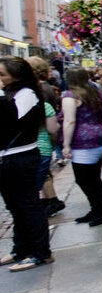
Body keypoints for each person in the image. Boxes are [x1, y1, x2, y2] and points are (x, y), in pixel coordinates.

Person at [0, 57, 54, 272]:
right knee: (14, 206)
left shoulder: (27, 95)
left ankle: (41, 252)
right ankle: (20, 248)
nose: (0, 78)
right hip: (6, 158)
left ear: (16, 75)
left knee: (29, 205)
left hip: (21, 157)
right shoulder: (9, 94)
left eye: (2, 74)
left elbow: (9, 119)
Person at [62, 67, 102, 226]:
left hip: (84, 143)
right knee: (94, 178)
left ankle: (100, 212)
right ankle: (97, 209)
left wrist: (66, 145)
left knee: (83, 180)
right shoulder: (95, 92)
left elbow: (70, 121)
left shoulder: (70, 96)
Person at [27, 56, 65, 216]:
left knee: (38, 177)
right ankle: (52, 200)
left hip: (41, 137)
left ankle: (49, 202)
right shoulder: (47, 87)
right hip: (47, 135)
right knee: (45, 173)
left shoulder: (38, 89)